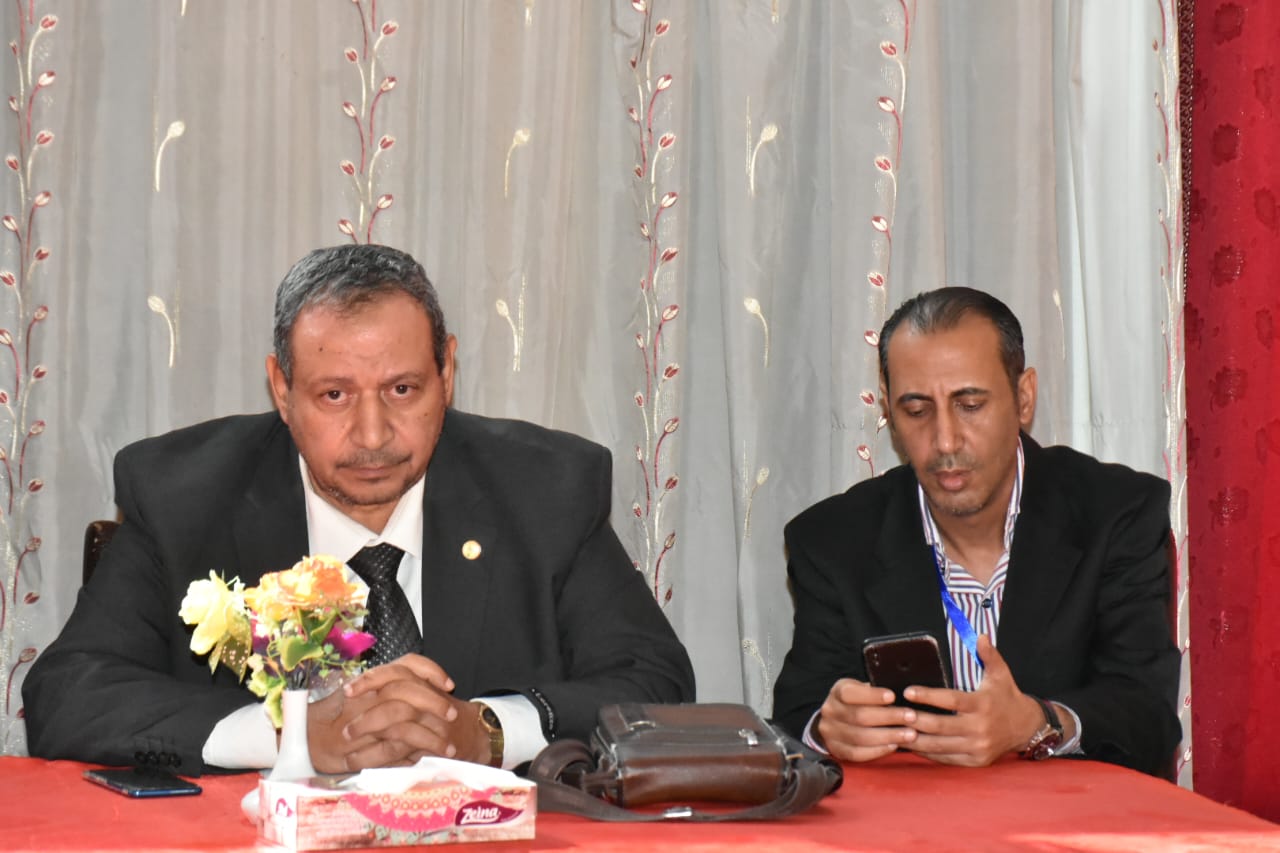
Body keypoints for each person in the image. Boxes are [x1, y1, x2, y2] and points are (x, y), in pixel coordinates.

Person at [24, 244, 694, 775]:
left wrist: (487, 731)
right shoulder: (184, 495)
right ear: (281, 389)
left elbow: (654, 682)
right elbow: (69, 692)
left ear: (447, 373)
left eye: (402, 389)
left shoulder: (545, 489)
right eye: (334, 396)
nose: (373, 435)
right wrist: (291, 734)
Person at [771, 287, 1180, 776]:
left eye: (969, 404)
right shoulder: (833, 541)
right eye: (917, 411)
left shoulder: (1116, 514)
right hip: (913, 820)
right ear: (889, 412)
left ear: (1023, 397)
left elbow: (1148, 717)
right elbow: (796, 717)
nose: (945, 441)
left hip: (1072, 817)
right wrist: (827, 729)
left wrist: (1039, 722)